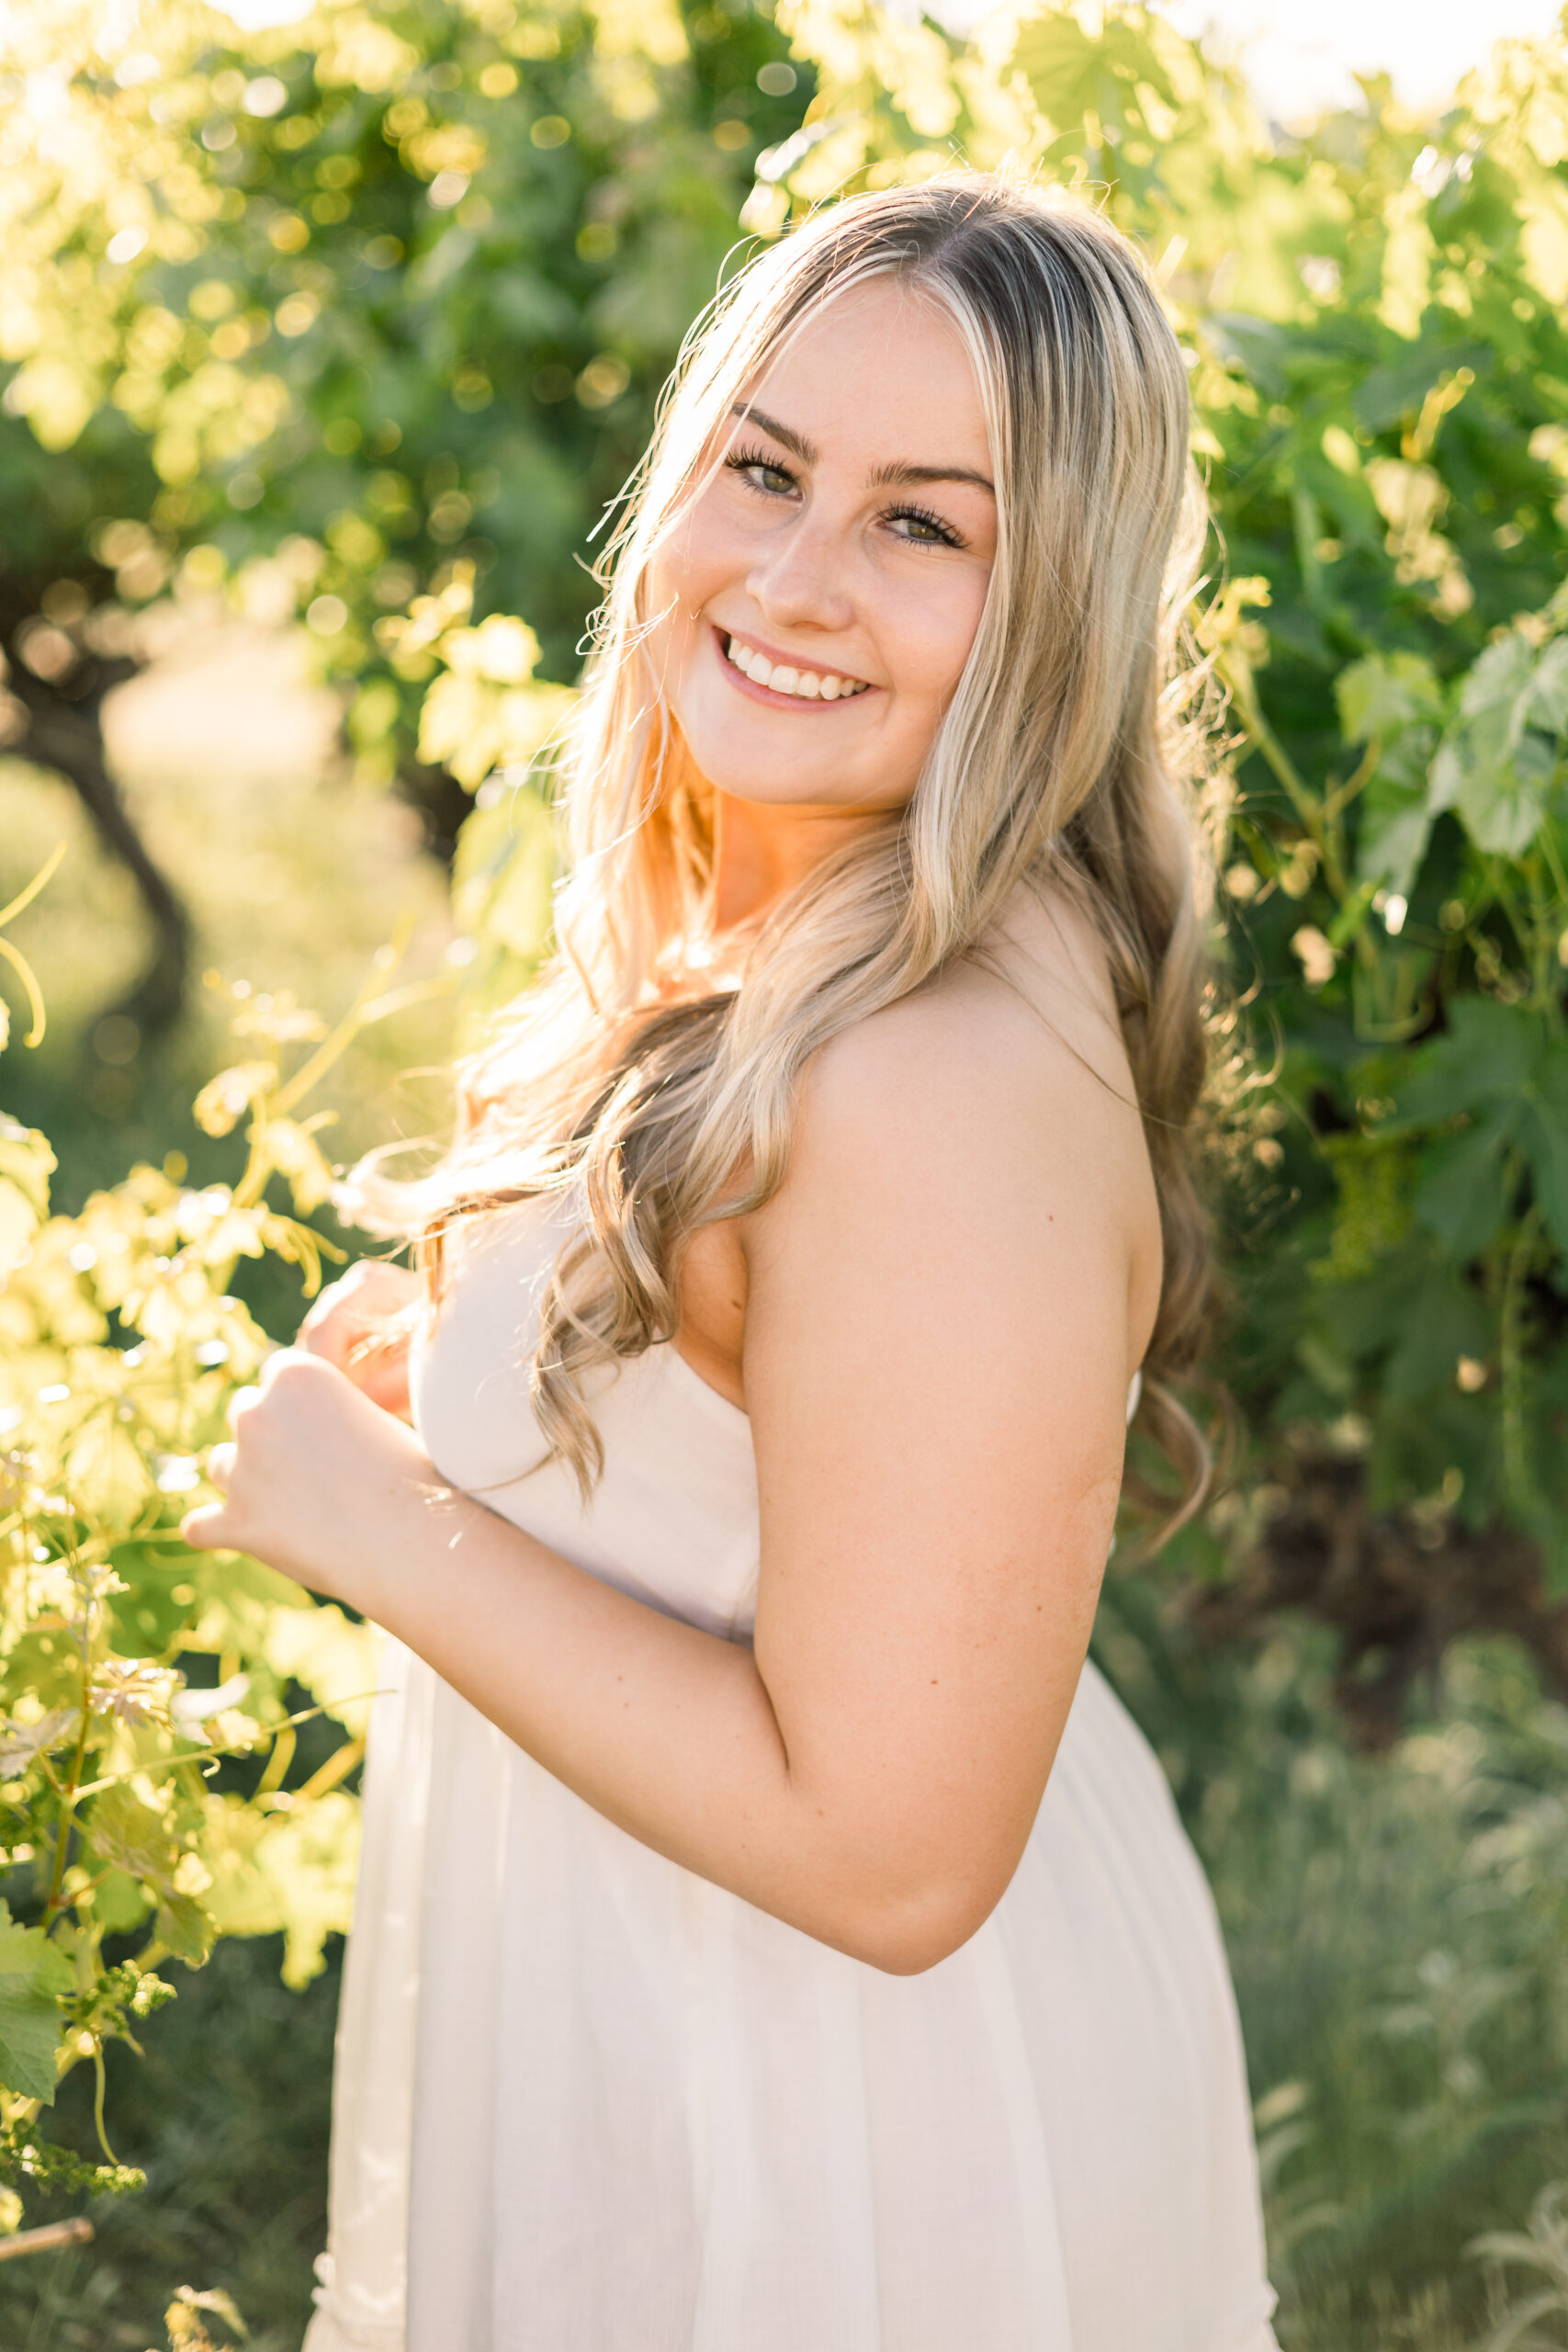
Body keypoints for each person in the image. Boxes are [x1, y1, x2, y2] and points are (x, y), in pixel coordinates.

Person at [184, 172, 1280, 2352]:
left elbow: (889, 1857)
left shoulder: (932, 1072)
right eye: (764, 468)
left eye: (920, 524)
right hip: (689, 2047)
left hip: (835, 2142)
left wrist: (375, 1521)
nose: (789, 575)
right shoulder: (795, 927)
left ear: (1046, 600)